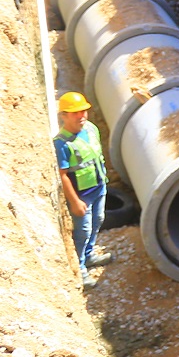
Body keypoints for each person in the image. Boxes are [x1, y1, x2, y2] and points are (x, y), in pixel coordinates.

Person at [53, 91, 112, 287]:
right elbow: (62, 175)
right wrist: (75, 201)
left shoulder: (91, 129)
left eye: (83, 111)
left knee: (98, 221)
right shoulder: (61, 143)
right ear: (64, 115)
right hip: (81, 195)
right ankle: (80, 269)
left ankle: (89, 256)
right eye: (75, 113)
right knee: (83, 230)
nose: (81, 116)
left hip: (98, 188)